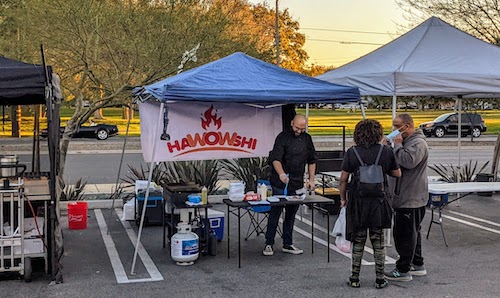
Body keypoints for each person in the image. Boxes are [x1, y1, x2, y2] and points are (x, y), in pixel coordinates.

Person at [339, 119, 401, 289]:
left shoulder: (352, 152)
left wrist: (343, 199)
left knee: (358, 241)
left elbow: (343, 179)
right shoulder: (386, 151)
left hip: (358, 202)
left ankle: (354, 278)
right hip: (379, 203)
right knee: (378, 242)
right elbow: (397, 173)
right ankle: (380, 278)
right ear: (378, 133)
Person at [263, 114, 317, 256]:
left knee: (291, 214)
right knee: (275, 212)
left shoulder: (307, 139)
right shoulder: (282, 137)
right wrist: (281, 174)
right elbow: (275, 159)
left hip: (297, 182)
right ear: (292, 123)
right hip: (280, 182)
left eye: (302, 129)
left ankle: (288, 243)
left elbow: (312, 161)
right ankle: (269, 243)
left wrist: (311, 179)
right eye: (297, 128)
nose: (299, 131)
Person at [384, 113, 429, 282]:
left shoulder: (418, 143)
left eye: (397, 126)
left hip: (411, 197)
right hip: (404, 196)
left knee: (405, 234)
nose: (394, 130)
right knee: (412, 233)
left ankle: (403, 269)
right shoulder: (407, 142)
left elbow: (408, 161)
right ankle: (417, 264)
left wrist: (396, 145)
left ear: (408, 126)